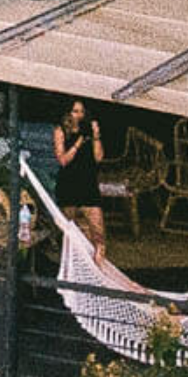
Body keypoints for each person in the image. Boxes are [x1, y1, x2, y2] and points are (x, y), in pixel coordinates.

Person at [53, 100, 109, 263]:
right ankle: (73, 267)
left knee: (99, 235)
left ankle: (97, 268)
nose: (79, 115)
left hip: (88, 183)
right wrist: (77, 144)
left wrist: (96, 136)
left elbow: (98, 158)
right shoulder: (60, 130)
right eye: (75, 111)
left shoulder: (88, 131)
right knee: (69, 233)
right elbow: (63, 160)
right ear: (68, 113)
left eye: (82, 112)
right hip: (68, 183)